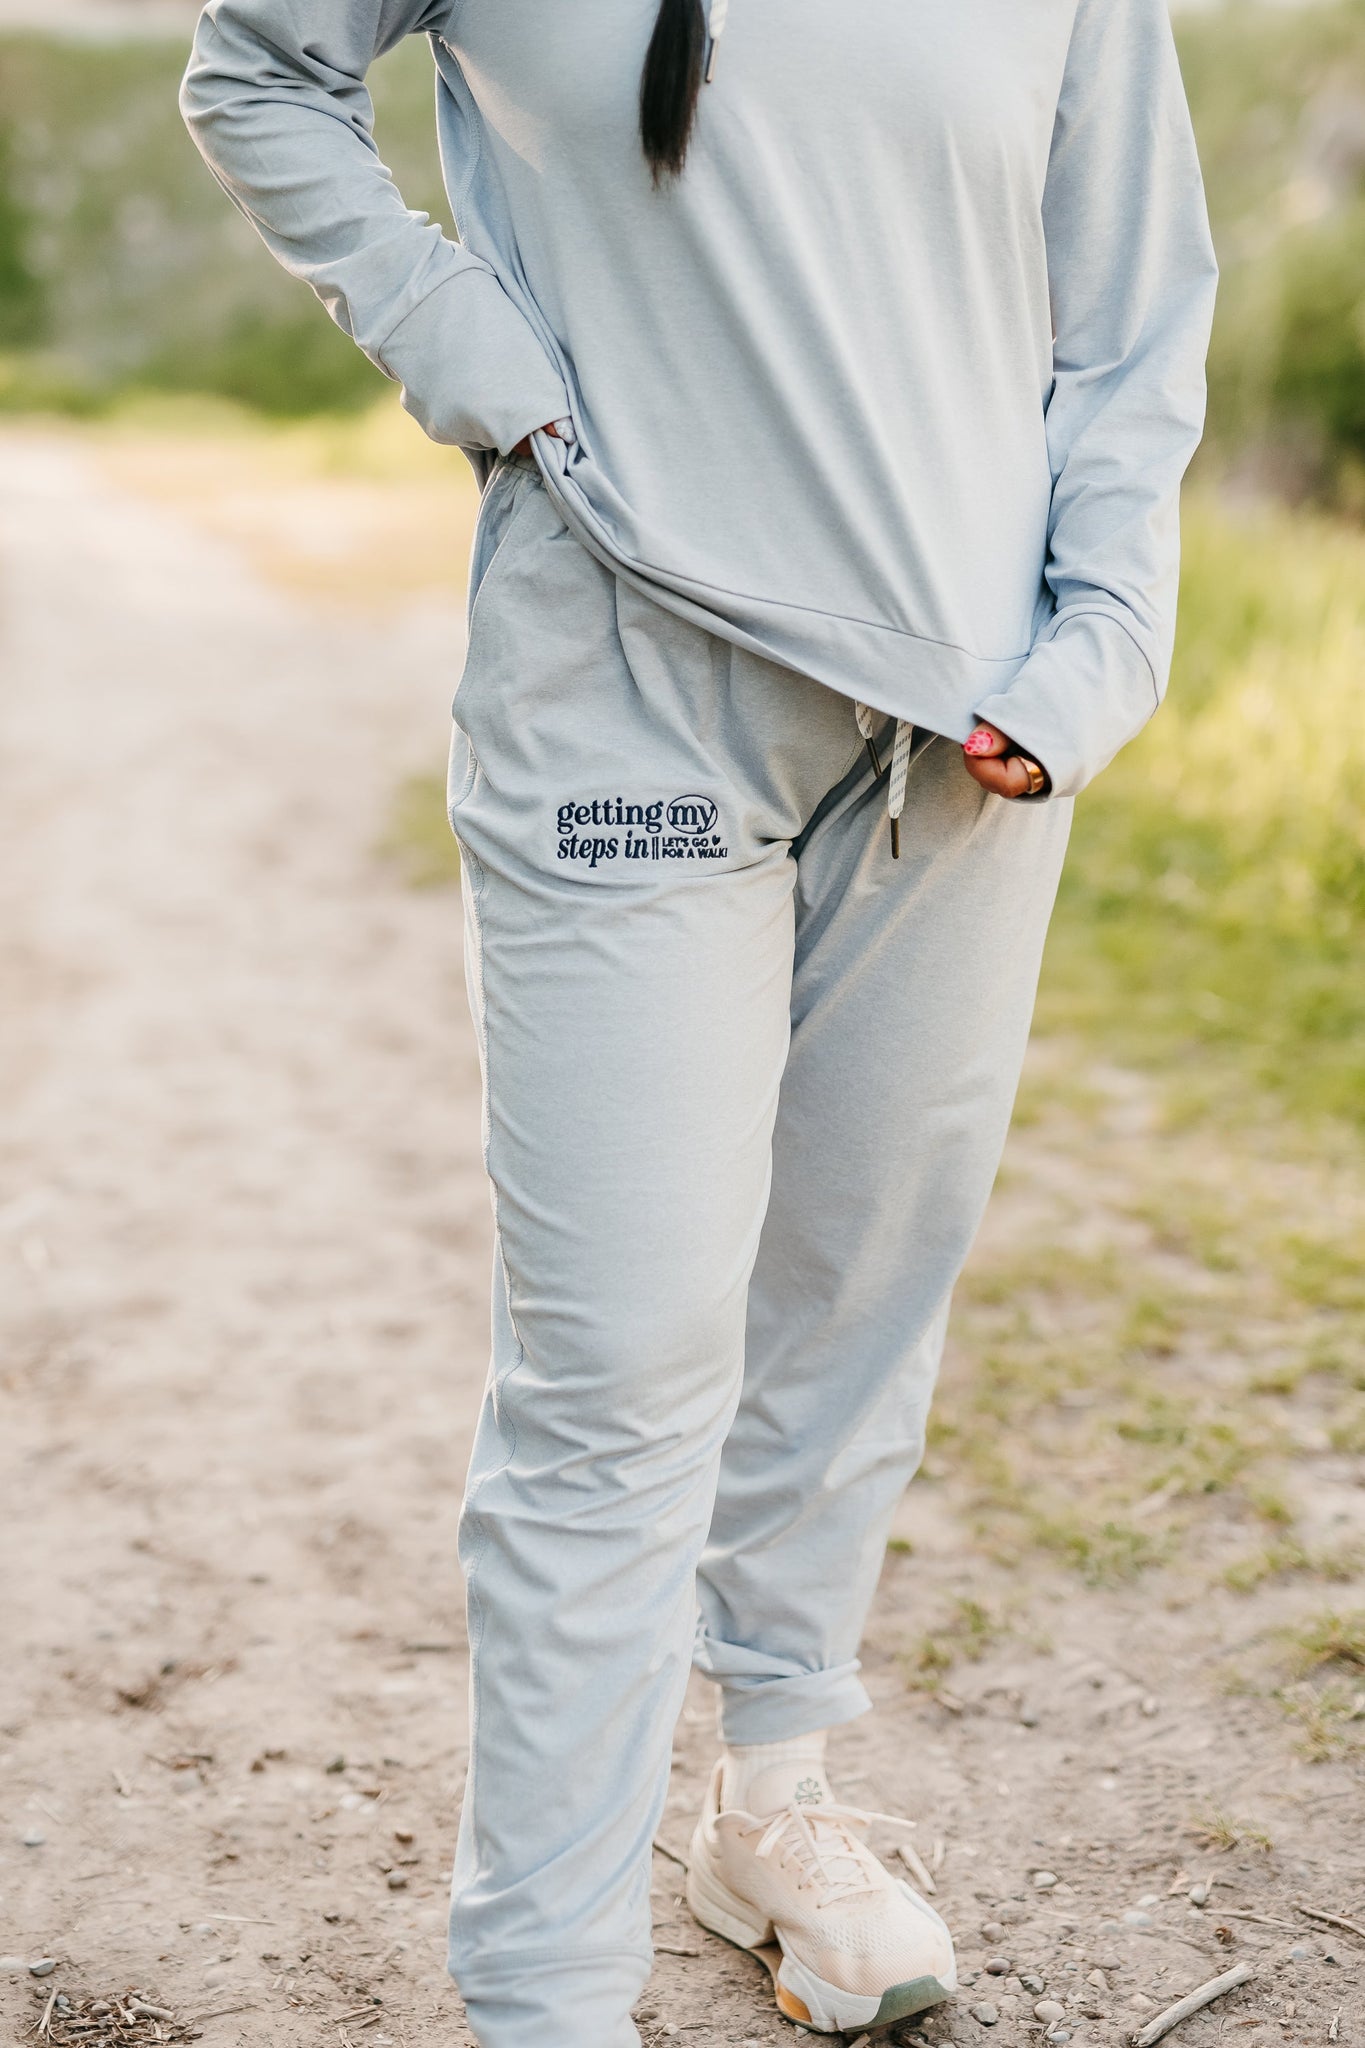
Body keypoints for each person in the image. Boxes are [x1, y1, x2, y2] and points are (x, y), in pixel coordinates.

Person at [181, 3, 1217, 2042]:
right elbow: (257, 67)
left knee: (851, 1294)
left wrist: (1099, 639)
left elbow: (1128, 319)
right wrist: (458, 340)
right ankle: (545, 1993)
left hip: (963, 736)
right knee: (619, 1369)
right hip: (623, 692)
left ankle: (771, 1805)